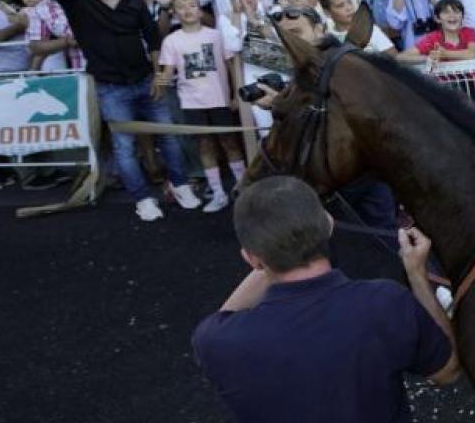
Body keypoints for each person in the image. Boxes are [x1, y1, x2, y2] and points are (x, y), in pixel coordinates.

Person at [193, 176, 460, 423]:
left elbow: (223, 317)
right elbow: (447, 370)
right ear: (329, 225)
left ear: (250, 258)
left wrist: (268, 258)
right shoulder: (384, 303)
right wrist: (417, 275)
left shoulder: (217, 342)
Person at [38, 0, 202, 221]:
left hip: (145, 80)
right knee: (124, 147)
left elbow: (153, 39)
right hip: (110, 87)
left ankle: (180, 185)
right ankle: (142, 199)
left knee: (169, 137)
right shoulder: (75, 1)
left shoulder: (134, 3)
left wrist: (158, 75)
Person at [155, 0, 245, 213]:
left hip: (220, 99)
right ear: (175, 13)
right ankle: (218, 193)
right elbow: (167, 72)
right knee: (204, 147)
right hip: (191, 102)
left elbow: (232, 66)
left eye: (192, 5)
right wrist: (161, 79)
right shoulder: (171, 40)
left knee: (230, 142)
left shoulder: (216, 35)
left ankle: (244, 188)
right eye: (181, 7)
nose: (187, 10)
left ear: (199, 9)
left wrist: (235, 95)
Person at [397, 0, 475, 64]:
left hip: (471, 81)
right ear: (437, 18)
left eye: (456, 12)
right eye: (446, 12)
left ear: (462, 16)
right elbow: (400, 57)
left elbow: (472, 54)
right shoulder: (432, 38)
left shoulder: (469, 32)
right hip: (444, 82)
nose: (452, 16)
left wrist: (445, 54)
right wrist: (428, 58)